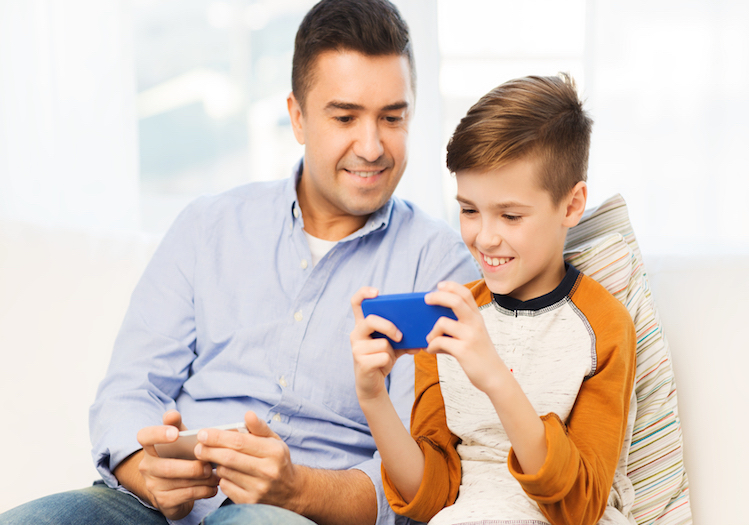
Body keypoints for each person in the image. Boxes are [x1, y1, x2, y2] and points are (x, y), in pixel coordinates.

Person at [0, 1, 479, 524]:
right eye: (344, 117)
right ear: (297, 117)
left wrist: (296, 489)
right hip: (150, 508)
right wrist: (146, 472)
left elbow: (425, 476)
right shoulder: (209, 226)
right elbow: (129, 389)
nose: (371, 146)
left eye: (392, 117)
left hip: (294, 515)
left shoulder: (442, 267)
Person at [350, 74, 637, 525]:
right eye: (468, 210)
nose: (484, 237)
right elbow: (432, 497)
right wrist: (373, 398)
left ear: (571, 205)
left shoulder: (604, 326)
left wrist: (496, 378)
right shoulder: (449, 316)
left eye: (510, 215)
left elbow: (580, 507)